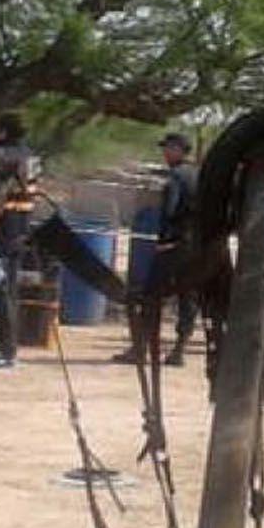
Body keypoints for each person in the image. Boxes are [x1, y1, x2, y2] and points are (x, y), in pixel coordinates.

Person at [113, 132, 199, 367]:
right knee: (187, 297)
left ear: (180, 150)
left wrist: (165, 237)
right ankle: (179, 349)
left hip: (173, 244)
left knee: (151, 296)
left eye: (169, 148)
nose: (165, 153)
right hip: (194, 245)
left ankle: (140, 348)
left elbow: (170, 209)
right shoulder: (199, 175)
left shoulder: (176, 177)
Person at [0, 112, 37, 371]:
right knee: (7, 288)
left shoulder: (0, 155)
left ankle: (7, 351)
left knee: (2, 290)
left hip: (4, 228)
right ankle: (6, 347)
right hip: (23, 226)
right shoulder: (31, 155)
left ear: (2, 131)